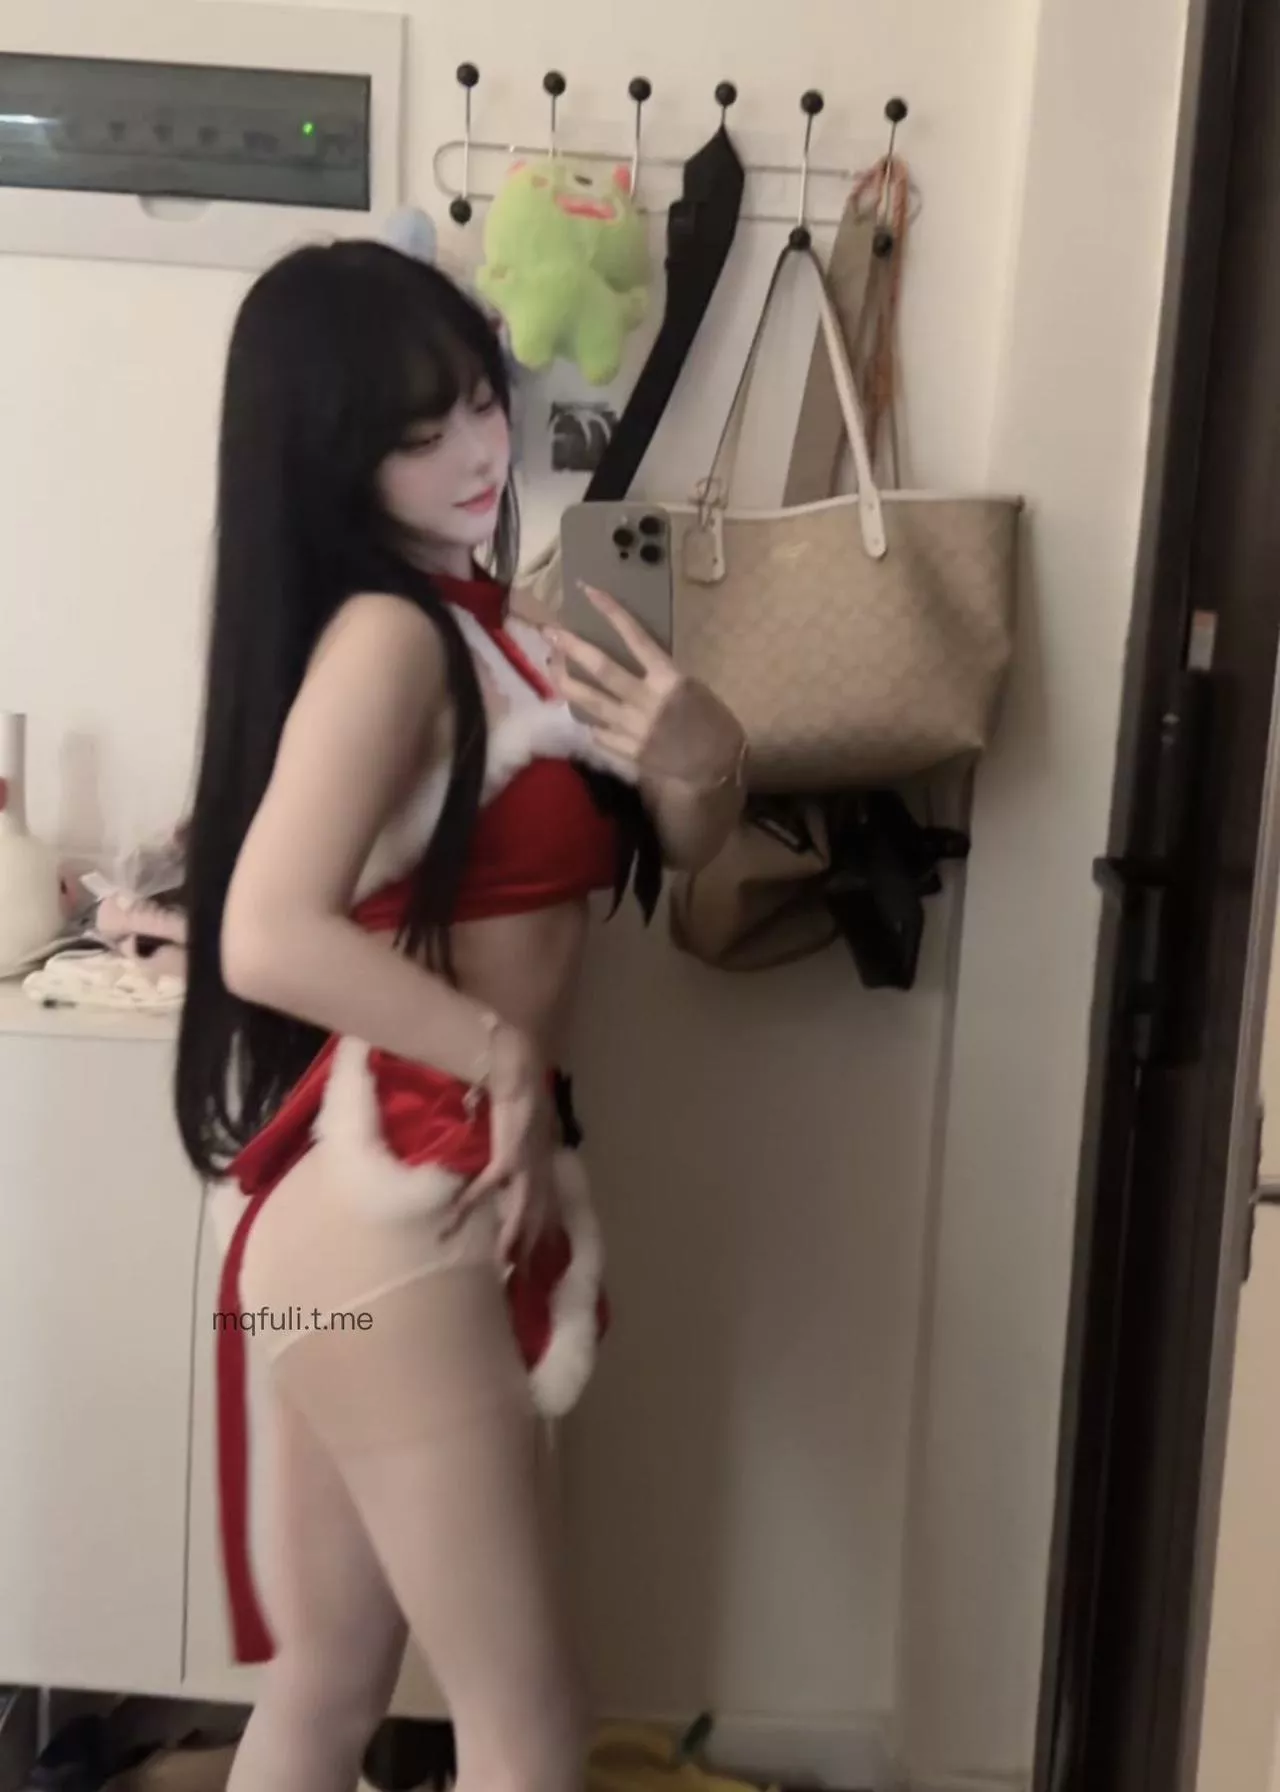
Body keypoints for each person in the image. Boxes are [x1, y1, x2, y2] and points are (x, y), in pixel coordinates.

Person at [173, 237, 747, 1792]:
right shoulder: (390, 639)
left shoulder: (491, 626)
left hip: (353, 1228)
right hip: (395, 1213)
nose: (477, 453)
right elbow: (265, 932)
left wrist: (704, 759)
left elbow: (677, 845)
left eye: (480, 404)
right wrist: (500, 1053)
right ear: (329, 460)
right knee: (523, 1721)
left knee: (328, 1693)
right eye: (416, 434)